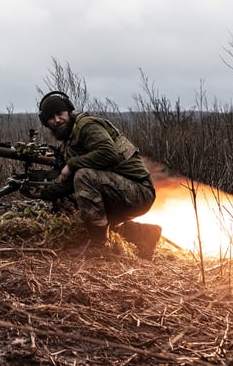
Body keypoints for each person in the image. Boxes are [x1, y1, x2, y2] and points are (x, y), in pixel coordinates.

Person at [35, 91, 161, 257]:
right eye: (51, 118)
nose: (57, 120)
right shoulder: (69, 142)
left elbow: (108, 153)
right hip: (120, 192)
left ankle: (98, 246)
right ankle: (144, 234)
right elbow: (68, 184)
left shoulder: (86, 126)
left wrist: (72, 164)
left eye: (60, 114)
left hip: (139, 191)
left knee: (84, 176)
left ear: (68, 111)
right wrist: (41, 193)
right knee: (82, 206)